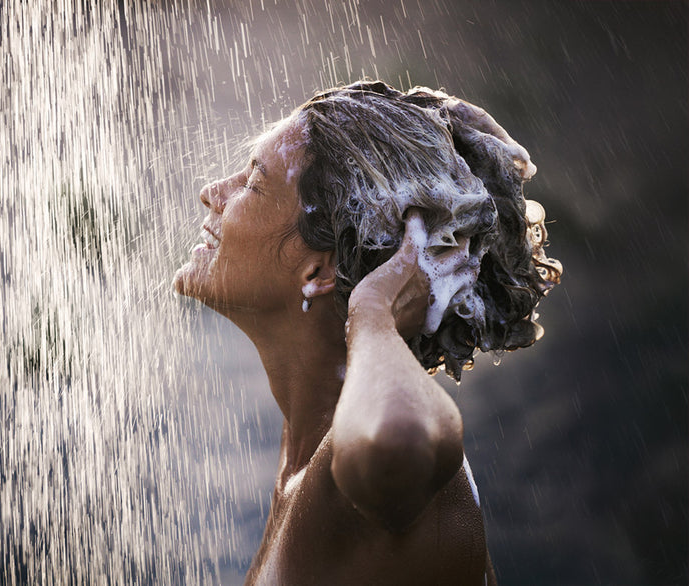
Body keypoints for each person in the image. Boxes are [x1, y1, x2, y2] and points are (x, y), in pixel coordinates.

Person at [174, 81, 562, 585]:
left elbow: (398, 443)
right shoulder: (309, 460)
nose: (212, 193)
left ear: (318, 273)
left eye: (253, 182)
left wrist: (375, 312)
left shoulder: (381, 495)